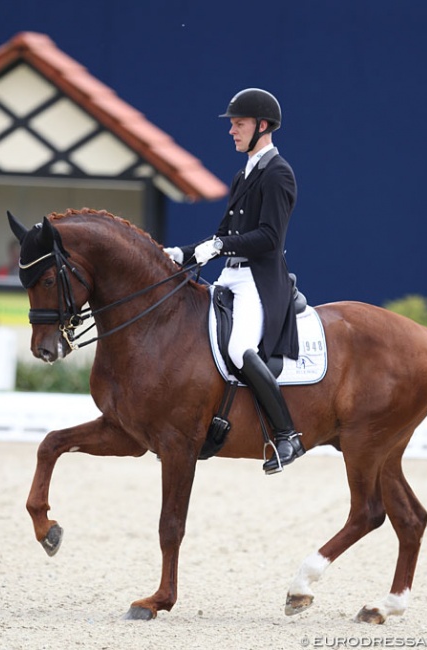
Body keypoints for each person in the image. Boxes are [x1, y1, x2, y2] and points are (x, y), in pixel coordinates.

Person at [165, 88, 305, 474]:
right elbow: (223, 235)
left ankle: (286, 436)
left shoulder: (278, 173)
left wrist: (219, 245)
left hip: (259, 283)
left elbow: (270, 238)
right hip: (231, 277)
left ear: (262, 126)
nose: (231, 130)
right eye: (232, 124)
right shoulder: (244, 172)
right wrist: (183, 254)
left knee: (241, 347)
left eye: (238, 124)